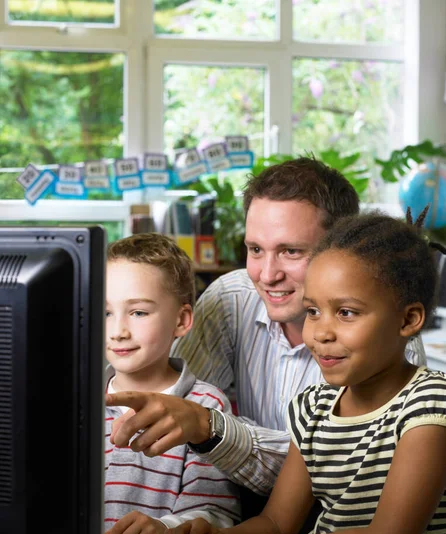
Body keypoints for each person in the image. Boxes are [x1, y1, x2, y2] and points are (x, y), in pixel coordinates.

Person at [161, 211, 446, 534]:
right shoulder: (312, 407)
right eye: (313, 311)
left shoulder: (428, 405)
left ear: (408, 319)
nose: (321, 332)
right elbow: (277, 521)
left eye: (346, 313)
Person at [107, 157, 426, 498]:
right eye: (256, 249)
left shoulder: (391, 341)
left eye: (291, 251)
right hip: (229, 505)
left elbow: (338, 472)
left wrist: (210, 428)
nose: (267, 274)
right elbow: (174, 414)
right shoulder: (231, 297)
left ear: (340, 248)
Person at [104, 233, 240, 534]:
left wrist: (164, 530)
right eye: (106, 311)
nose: (118, 330)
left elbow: (216, 513)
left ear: (181, 321)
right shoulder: (74, 398)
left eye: (138, 312)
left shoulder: (206, 406)